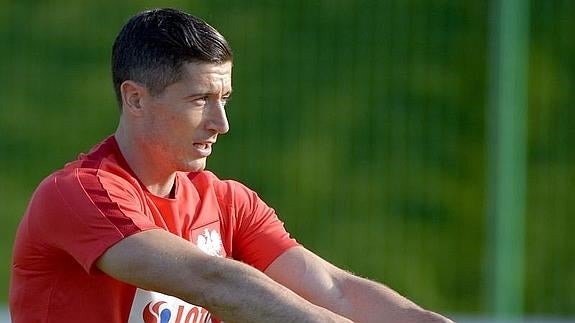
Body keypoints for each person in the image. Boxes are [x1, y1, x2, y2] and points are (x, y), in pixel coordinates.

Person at [9, 8, 454, 323]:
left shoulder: (227, 201)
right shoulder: (80, 193)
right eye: (200, 99)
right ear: (135, 98)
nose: (220, 123)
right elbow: (209, 279)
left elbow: (334, 290)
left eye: (223, 99)